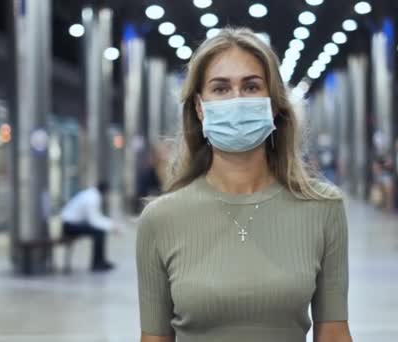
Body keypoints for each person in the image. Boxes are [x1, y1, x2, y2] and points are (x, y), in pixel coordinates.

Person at [136, 27, 351, 342]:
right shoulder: (160, 219)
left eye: (251, 87)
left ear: (274, 104)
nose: (236, 101)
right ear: (199, 106)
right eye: (221, 89)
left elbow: (334, 334)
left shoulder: (323, 207)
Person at [61, 181, 120, 272]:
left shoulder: (91, 194)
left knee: (100, 232)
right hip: (70, 225)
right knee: (99, 232)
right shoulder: (92, 198)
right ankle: (97, 263)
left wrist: (111, 224)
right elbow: (94, 220)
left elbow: (96, 217)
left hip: (72, 223)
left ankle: (100, 261)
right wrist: (111, 226)